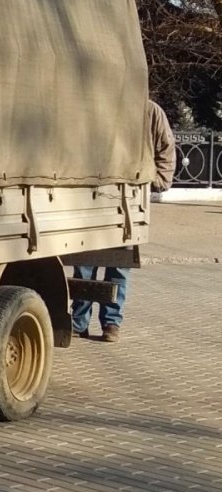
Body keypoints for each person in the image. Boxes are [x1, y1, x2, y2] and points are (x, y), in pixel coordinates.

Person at [71, 99, 176, 343]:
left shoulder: (150, 111)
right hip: (94, 200)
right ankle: (79, 322)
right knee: (85, 264)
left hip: (129, 203)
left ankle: (110, 324)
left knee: (118, 266)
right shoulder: (98, 102)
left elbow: (166, 149)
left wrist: (158, 181)